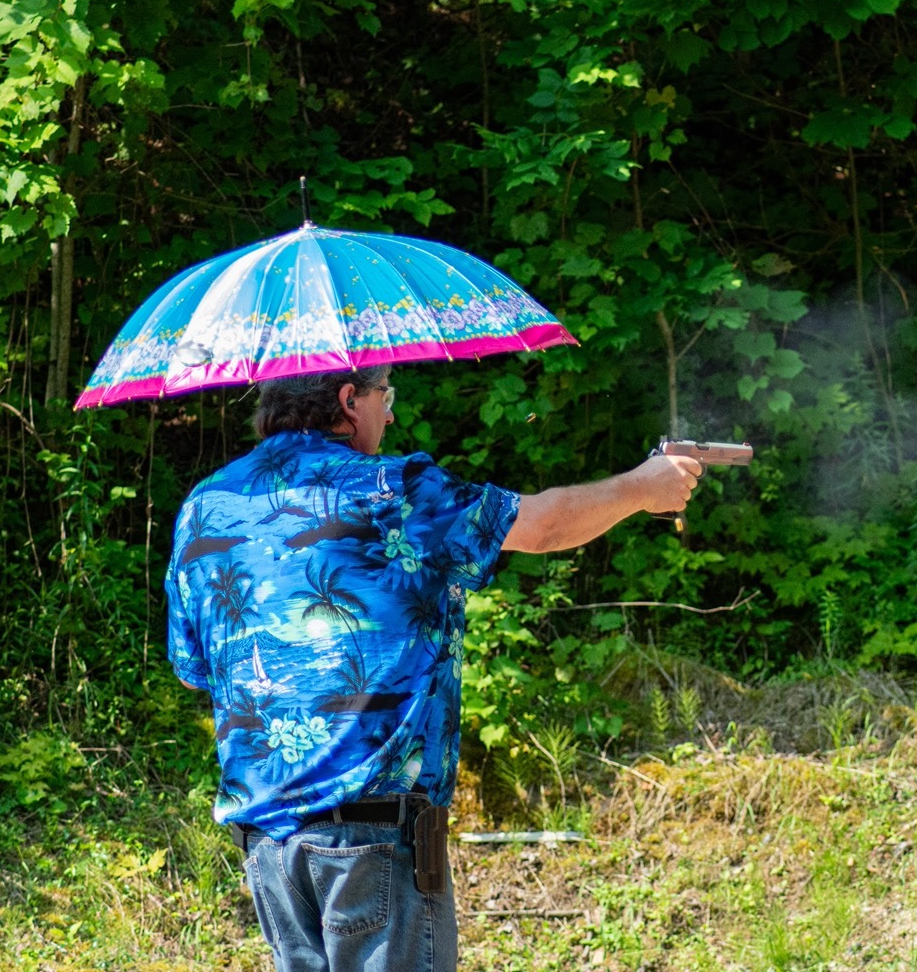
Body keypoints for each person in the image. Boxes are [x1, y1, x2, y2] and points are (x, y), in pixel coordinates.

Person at [166, 365, 701, 972]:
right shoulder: (394, 489)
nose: (390, 413)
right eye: (385, 395)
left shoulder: (205, 506)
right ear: (349, 400)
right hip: (373, 832)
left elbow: (193, 669)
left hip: (266, 843)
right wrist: (645, 486)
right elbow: (545, 526)